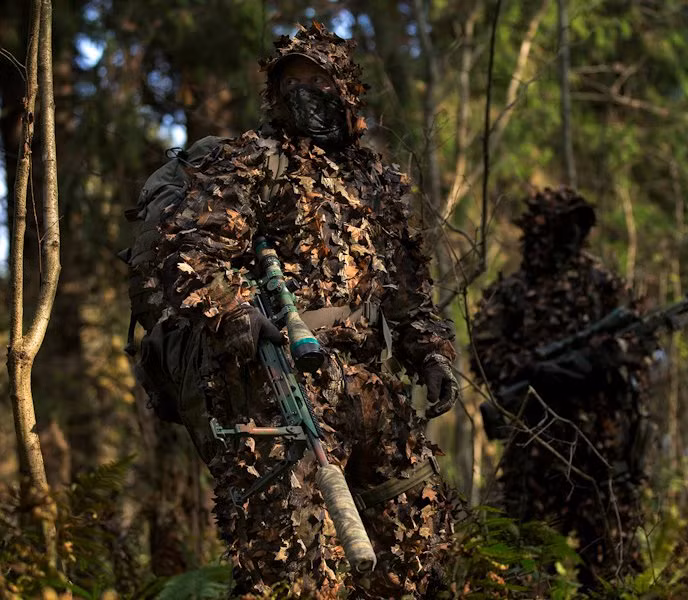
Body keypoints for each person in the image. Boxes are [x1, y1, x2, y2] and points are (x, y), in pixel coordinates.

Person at [125, 23, 459, 598]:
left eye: (318, 81)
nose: (305, 94)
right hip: (278, 388)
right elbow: (189, 255)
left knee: (415, 556)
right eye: (293, 83)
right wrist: (242, 318)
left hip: (372, 386)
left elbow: (407, 290)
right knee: (292, 572)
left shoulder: (377, 180)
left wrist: (431, 353)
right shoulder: (253, 160)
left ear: (347, 89)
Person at [471, 187, 654, 586]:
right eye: (561, 226)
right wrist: (535, 369)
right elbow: (484, 356)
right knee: (524, 565)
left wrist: (606, 358)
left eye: (577, 227)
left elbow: (641, 341)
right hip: (535, 448)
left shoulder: (603, 283)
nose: (570, 237)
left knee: (611, 571)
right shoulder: (513, 291)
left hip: (601, 451)